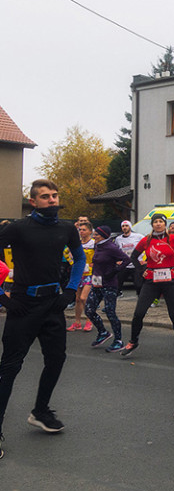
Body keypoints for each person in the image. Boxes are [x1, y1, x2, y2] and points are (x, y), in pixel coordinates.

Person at [0, 179, 86, 457]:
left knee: (57, 359)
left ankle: (40, 411)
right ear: (33, 202)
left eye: (55, 195)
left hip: (53, 304)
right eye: (46, 196)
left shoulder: (67, 228)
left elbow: (80, 258)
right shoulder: (17, 228)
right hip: (23, 305)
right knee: (10, 368)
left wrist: (71, 291)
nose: (52, 199)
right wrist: (2, 297)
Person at [122, 212, 174, 359]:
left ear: (165, 224)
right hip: (151, 281)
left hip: (170, 281)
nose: (158, 224)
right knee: (139, 313)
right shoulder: (146, 240)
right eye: (155, 222)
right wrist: (141, 270)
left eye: (161, 221)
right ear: (152, 224)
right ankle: (133, 341)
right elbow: (133, 256)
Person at [84, 226, 131, 352]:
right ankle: (103, 332)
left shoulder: (111, 247)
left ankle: (118, 341)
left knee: (110, 312)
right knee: (89, 310)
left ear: (104, 235)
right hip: (97, 284)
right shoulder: (97, 245)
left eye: (97, 234)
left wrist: (114, 271)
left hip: (109, 284)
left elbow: (126, 260)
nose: (94, 236)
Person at [67, 220, 95, 331]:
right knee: (78, 299)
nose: (82, 232)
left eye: (84, 230)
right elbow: (67, 253)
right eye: (80, 230)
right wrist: (72, 262)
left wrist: (95, 263)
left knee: (84, 298)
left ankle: (89, 321)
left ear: (90, 231)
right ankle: (77, 322)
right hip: (78, 273)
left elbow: (99, 256)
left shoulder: (93, 243)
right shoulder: (77, 243)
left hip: (90, 274)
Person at [113, 220, 145, 294]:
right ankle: (117, 295)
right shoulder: (118, 239)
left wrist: (145, 259)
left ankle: (141, 298)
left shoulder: (138, 236)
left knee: (138, 284)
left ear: (130, 227)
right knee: (118, 283)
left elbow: (147, 246)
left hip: (136, 264)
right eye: (123, 226)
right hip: (124, 264)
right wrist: (117, 260)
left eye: (126, 226)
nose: (125, 228)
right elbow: (116, 251)